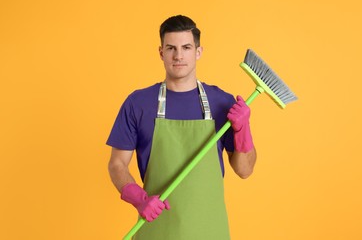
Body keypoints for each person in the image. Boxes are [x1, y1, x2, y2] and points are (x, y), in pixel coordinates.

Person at [107, 15, 257, 240]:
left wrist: (242, 130)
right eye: (171, 48)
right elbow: (117, 164)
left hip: (209, 230)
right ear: (161, 53)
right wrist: (139, 198)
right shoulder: (137, 104)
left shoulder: (223, 103)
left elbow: (244, 170)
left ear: (198, 52)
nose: (178, 56)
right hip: (157, 230)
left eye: (186, 47)